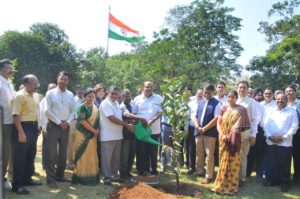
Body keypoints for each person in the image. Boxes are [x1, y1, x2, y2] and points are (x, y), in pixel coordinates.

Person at [212, 90, 250, 194]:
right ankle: (220, 185)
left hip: (234, 140)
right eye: (228, 97)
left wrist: (229, 136)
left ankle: (231, 187)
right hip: (223, 139)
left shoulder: (242, 110)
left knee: (233, 162)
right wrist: (222, 135)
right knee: (222, 162)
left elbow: (238, 126)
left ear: (236, 98)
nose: (230, 99)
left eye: (232, 97)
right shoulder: (223, 108)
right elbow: (218, 124)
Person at [44, 71, 76, 189]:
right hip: (53, 126)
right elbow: (47, 111)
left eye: (65, 79)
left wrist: (67, 122)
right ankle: (51, 180)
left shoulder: (70, 94)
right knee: (51, 153)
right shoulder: (50, 93)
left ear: (68, 81)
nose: (63, 81)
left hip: (66, 127)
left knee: (63, 153)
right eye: (61, 79)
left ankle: (60, 175)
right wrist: (59, 122)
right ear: (57, 79)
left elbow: (73, 111)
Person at [11, 74, 42, 194]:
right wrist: (20, 132)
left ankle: (27, 179)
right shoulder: (19, 96)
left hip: (33, 127)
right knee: (20, 157)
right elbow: (16, 115)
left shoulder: (34, 95)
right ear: (26, 84)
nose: (36, 85)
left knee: (30, 154)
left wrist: (37, 126)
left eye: (37, 83)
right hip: (23, 127)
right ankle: (17, 185)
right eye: (34, 83)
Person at [263, 93, 298, 192]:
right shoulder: (270, 111)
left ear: (286, 100)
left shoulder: (292, 112)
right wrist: (269, 136)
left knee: (284, 164)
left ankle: (285, 183)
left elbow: (294, 126)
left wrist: (283, 137)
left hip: (285, 143)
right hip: (271, 141)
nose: (280, 100)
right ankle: (272, 180)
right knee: (272, 162)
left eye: (282, 99)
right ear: (275, 100)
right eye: (278, 99)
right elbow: (265, 125)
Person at [100, 86, 129, 185]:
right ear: (108, 93)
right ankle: (107, 178)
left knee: (115, 159)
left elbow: (119, 117)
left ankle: (114, 176)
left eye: (116, 94)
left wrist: (129, 122)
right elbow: (111, 118)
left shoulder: (117, 103)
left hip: (118, 135)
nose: (114, 95)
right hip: (107, 135)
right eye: (112, 93)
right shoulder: (105, 103)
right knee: (107, 159)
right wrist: (126, 125)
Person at [192, 84, 221, 184]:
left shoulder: (217, 103)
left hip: (210, 133)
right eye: (205, 92)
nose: (206, 94)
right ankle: (199, 171)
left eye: (208, 92)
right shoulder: (200, 102)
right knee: (199, 153)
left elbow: (216, 118)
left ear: (213, 92)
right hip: (198, 132)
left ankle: (209, 176)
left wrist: (205, 128)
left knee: (209, 155)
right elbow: (194, 116)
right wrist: (197, 127)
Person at [133, 81, 163, 175]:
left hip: (154, 130)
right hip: (141, 130)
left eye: (150, 87)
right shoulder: (137, 99)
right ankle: (141, 170)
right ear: (143, 87)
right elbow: (134, 113)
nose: (149, 88)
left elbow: (161, 112)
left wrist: (153, 120)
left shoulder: (158, 98)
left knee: (153, 151)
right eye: (147, 87)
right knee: (141, 151)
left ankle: (153, 170)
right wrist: (139, 122)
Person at [71, 88, 100, 185]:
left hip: (92, 136)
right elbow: (82, 121)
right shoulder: (81, 107)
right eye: (89, 96)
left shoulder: (95, 108)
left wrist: (97, 130)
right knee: (82, 155)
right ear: (85, 97)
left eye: (93, 96)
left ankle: (91, 176)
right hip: (82, 134)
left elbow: (97, 120)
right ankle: (81, 177)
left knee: (91, 155)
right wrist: (94, 131)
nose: (91, 98)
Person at [119, 89, 147, 179]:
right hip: (125, 134)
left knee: (132, 154)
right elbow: (127, 115)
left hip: (133, 133)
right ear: (122, 96)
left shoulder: (131, 105)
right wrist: (140, 118)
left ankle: (128, 171)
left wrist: (135, 119)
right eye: (126, 96)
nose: (128, 97)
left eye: (129, 95)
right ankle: (123, 173)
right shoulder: (122, 106)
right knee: (125, 155)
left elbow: (132, 118)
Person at [236, 81, 260, 185]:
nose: (242, 89)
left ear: (248, 89)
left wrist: (253, 135)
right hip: (233, 134)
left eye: (244, 87)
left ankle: (242, 178)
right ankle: (233, 176)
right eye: (240, 87)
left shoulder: (252, 102)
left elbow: (255, 120)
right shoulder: (234, 100)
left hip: (245, 134)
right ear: (237, 88)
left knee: (243, 156)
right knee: (234, 155)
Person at [0, 59, 16, 189]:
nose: (11, 70)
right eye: (7, 68)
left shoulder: (9, 83)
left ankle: (4, 178)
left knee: (7, 152)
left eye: (11, 68)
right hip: (2, 122)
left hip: (10, 121)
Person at [246, 88, 265, 180]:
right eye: (248, 93)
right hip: (247, 130)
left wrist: (254, 132)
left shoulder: (259, 105)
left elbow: (257, 119)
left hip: (257, 131)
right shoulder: (246, 102)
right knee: (248, 153)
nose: (249, 94)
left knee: (257, 153)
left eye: (251, 93)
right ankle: (247, 172)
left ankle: (257, 172)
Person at [186, 88, 204, 174]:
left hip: (202, 128)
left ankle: (200, 168)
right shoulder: (190, 104)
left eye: (201, 93)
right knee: (191, 148)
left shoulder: (205, 103)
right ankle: (191, 167)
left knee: (200, 149)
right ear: (195, 94)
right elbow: (187, 117)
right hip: (192, 128)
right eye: (198, 93)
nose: (199, 95)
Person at [38, 83, 56, 170]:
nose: (52, 90)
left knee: (54, 147)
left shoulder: (56, 99)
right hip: (46, 127)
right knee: (46, 147)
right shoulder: (44, 100)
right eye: (50, 89)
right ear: (47, 90)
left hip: (56, 127)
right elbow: (41, 115)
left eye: (54, 89)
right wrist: (42, 127)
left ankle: (52, 164)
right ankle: (45, 165)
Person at [285, 85, 300, 184]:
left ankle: (297, 178)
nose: (289, 93)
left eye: (291, 91)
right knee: (285, 156)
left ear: (295, 92)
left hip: (298, 135)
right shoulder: (283, 104)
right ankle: (285, 177)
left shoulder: (299, 103)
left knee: (298, 156)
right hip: (286, 135)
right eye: (287, 92)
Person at [67, 85, 84, 170]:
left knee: (80, 142)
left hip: (83, 123)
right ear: (75, 90)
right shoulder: (72, 99)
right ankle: (70, 163)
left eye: (82, 89)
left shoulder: (85, 100)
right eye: (78, 89)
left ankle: (79, 162)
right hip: (73, 121)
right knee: (71, 143)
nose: (80, 91)